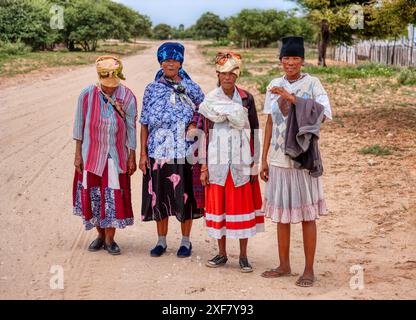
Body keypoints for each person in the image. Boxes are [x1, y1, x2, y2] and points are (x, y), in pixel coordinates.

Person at [260, 36, 332, 286]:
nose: (290, 63)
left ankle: (309, 269)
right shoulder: (274, 84)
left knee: (306, 215)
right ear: (281, 60)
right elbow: (269, 121)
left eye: (295, 58)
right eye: (286, 58)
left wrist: (292, 99)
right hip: (279, 159)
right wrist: (264, 159)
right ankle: (284, 264)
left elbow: (324, 114)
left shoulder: (313, 83)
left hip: (303, 158)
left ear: (302, 60)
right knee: (282, 214)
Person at [199, 52, 264, 273]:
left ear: (237, 75)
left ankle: (243, 256)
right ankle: (222, 253)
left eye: (231, 74)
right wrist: (204, 166)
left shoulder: (246, 98)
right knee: (221, 210)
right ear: (217, 75)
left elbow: (254, 129)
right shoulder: (209, 100)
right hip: (217, 163)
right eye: (223, 74)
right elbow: (204, 134)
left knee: (241, 209)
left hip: (240, 162)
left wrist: (254, 163)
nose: (228, 78)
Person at [139, 42, 205, 258]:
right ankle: (161, 241)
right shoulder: (152, 89)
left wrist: (195, 123)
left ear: (180, 62)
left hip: (184, 152)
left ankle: (186, 242)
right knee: (160, 196)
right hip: (157, 152)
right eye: (166, 60)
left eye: (174, 60)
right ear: (160, 62)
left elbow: (205, 111)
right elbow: (145, 122)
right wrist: (142, 154)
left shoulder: (192, 88)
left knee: (184, 197)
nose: (170, 63)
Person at [73, 55, 137, 255]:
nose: (110, 87)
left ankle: (110, 239)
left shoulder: (127, 96)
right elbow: (79, 126)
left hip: (115, 155)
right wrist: (77, 155)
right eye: (106, 84)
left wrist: (132, 155)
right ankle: (99, 235)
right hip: (91, 155)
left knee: (112, 196)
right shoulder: (86, 95)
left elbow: (131, 128)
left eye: (113, 83)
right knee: (95, 197)